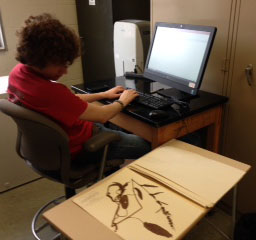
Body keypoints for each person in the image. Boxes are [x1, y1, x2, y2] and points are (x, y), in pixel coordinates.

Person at [8, 13, 151, 162]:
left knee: (119, 127)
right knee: (150, 145)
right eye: (61, 65)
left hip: (52, 147)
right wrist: (123, 101)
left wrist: (103, 94)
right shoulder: (49, 92)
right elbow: (102, 115)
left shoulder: (17, 74)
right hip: (82, 147)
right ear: (41, 59)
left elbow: (66, 102)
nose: (65, 71)